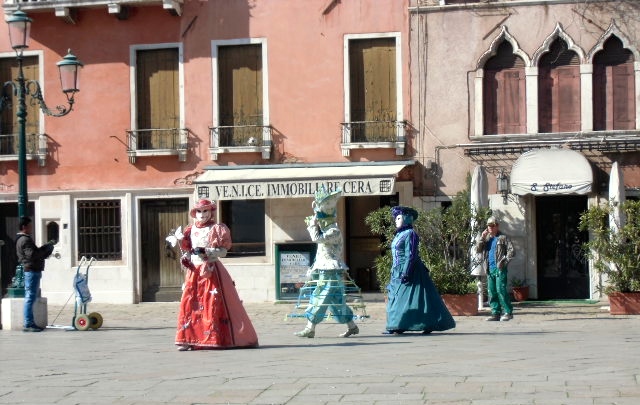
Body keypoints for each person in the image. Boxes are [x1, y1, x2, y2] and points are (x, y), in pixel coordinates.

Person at [173, 199, 258, 350]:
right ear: (194, 213)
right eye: (199, 211)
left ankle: (213, 337)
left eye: (205, 211)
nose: (202, 214)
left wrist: (206, 251)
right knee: (190, 303)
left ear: (211, 211)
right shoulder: (189, 230)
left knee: (212, 302)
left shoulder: (217, 229)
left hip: (211, 271)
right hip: (194, 272)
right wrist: (186, 257)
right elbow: (187, 250)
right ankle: (188, 339)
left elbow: (223, 252)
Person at [294, 187, 360, 338]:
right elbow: (321, 253)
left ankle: (310, 327)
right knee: (337, 301)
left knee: (320, 297)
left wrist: (312, 225)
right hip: (326, 269)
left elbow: (317, 239)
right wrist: (313, 268)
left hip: (331, 271)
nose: (320, 223)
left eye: (321, 220)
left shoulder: (334, 231)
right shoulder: (328, 230)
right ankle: (352, 326)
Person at [384, 206, 456, 334]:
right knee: (397, 297)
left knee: (411, 298)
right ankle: (396, 325)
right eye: (395, 218)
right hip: (396, 270)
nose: (396, 220)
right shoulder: (398, 235)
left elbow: (410, 254)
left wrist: (407, 271)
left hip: (410, 269)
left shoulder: (410, 234)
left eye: (399, 218)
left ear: (406, 219)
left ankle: (401, 325)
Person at [15, 216, 55, 332]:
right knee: (30, 297)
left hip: (31, 270)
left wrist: (44, 248)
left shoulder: (21, 239)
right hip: (32, 270)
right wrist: (45, 249)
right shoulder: (25, 240)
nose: (31, 228)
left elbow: (34, 253)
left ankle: (29, 322)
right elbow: (32, 255)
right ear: (24, 227)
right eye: (30, 226)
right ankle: (28, 323)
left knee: (30, 296)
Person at [475, 216, 515, 321]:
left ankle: (508, 312)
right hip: (489, 268)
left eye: (493, 226)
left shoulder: (503, 237)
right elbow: (478, 250)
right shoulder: (486, 238)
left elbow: (512, 251)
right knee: (491, 291)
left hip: (500, 268)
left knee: (500, 290)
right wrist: (482, 238)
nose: (491, 228)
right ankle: (495, 313)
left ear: (497, 226)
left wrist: (504, 262)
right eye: (489, 226)